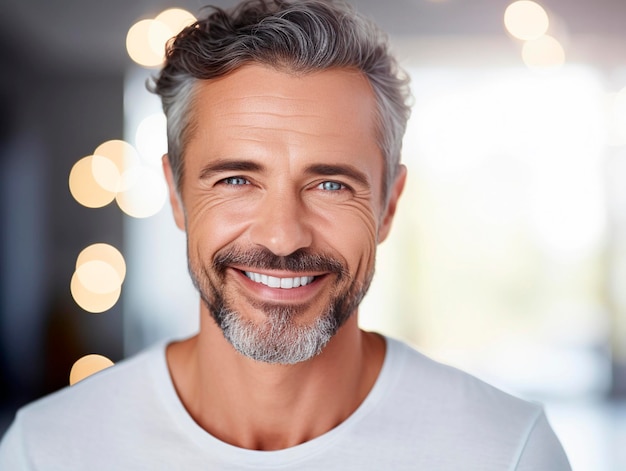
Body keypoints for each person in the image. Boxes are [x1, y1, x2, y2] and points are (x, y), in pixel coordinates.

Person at [0, 0, 571, 469]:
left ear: (388, 206)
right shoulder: (47, 449)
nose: (281, 237)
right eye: (237, 178)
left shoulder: (506, 450)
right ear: (175, 194)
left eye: (330, 185)